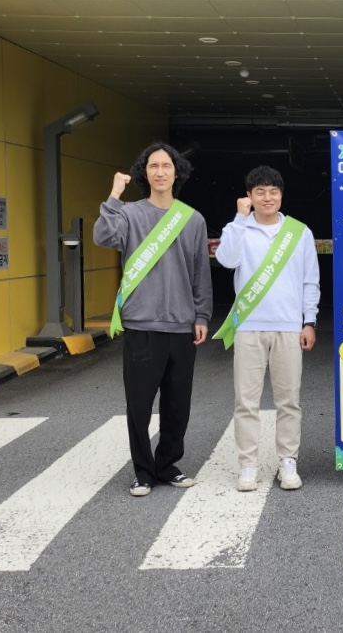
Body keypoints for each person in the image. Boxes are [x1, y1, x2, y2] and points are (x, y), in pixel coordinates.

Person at [94, 141, 212, 497]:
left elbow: (199, 272)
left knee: (178, 404)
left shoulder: (192, 219)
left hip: (181, 325)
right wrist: (114, 195)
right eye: (153, 166)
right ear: (145, 173)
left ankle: (168, 465)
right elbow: (103, 237)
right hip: (141, 325)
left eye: (166, 165)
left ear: (177, 172)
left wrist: (202, 314)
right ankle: (143, 471)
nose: (160, 172)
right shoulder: (129, 214)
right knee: (140, 404)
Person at [214, 165, 320, 493]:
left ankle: (288, 462)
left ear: (281, 195)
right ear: (249, 196)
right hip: (248, 327)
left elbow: (309, 279)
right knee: (246, 402)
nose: (267, 197)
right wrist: (238, 219)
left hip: (289, 328)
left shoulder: (299, 232)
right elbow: (226, 261)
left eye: (273, 191)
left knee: (289, 401)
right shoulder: (239, 229)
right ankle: (248, 465)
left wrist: (309, 321)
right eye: (259, 191)